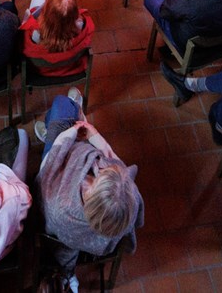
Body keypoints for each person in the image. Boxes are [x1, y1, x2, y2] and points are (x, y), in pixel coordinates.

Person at [35, 90, 144, 274]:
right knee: (73, 114)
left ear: (90, 189)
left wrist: (69, 135)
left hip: (60, 155)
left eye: (100, 174)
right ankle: (77, 112)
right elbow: (114, 161)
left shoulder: (58, 206)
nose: (102, 167)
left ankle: (55, 127)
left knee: (62, 105)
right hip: (79, 153)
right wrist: (95, 136)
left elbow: (47, 170)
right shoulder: (126, 200)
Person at [20, 0, 95, 77]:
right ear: (75, 12)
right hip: (70, 68)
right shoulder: (82, 26)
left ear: (46, 10)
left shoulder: (34, 34)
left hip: (41, 72)